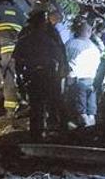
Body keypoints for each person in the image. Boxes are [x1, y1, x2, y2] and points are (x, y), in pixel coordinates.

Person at [13, 8, 67, 138]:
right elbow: (61, 56)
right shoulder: (52, 37)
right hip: (48, 75)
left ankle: (37, 133)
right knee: (53, 104)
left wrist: (21, 79)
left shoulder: (25, 38)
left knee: (36, 106)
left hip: (34, 76)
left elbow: (17, 62)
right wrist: (61, 73)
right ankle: (54, 130)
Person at [65, 21, 101, 127]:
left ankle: (82, 129)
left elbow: (65, 60)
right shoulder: (94, 47)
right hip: (92, 80)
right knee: (91, 110)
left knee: (80, 109)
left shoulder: (70, 43)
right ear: (89, 31)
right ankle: (91, 127)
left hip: (77, 80)